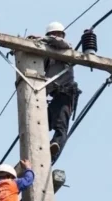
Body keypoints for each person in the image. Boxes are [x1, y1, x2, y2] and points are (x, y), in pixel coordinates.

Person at [30, 22, 82, 161]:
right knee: (38, 122)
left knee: (61, 127)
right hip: (54, 97)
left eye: (58, 34)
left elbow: (60, 42)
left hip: (66, 95)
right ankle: (38, 150)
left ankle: (54, 148)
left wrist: (41, 39)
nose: (57, 36)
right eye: (54, 34)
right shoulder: (47, 56)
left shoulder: (66, 48)